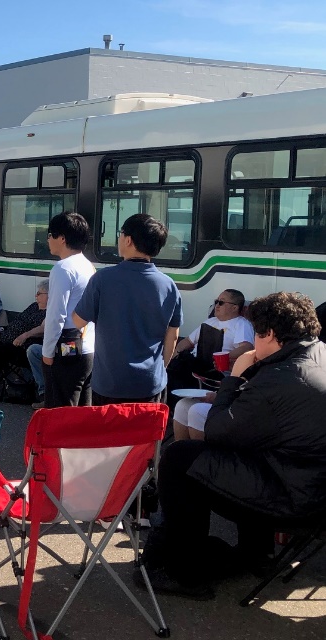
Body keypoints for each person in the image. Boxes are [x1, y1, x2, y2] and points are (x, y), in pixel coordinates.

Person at [141, 292, 326, 599]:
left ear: (269, 334)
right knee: (245, 447)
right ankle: (256, 553)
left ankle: (184, 571)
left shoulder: (281, 378)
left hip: (294, 501)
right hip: (311, 485)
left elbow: (216, 431)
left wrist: (235, 377)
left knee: (181, 458)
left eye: (256, 333)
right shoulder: (318, 354)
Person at [73, 214, 182, 405]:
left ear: (128, 240)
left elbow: (78, 321)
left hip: (109, 384)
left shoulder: (103, 279)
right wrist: (159, 368)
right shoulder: (169, 285)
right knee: (146, 435)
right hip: (150, 384)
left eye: (120, 234)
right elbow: (172, 335)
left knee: (109, 435)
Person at [170, 289, 255, 441]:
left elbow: (247, 347)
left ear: (235, 307)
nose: (216, 305)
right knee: (173, 369)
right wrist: (176, 353)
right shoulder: (208, 322)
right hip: (195, 365)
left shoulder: (241, 324)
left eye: (221, 302)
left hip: (215, 371)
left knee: (177, 375)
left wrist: (224, 357)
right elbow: (187, 342)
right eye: (216, 301)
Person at [41, 212, 96, 408]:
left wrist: (47, 352)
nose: (48, 240)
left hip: (65, 348)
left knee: (60, 410)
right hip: (88, 346)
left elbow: (56, 314)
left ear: (62, 238)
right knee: (82, 412)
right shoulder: (88, 266)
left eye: (50, 235)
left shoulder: (63, 268)